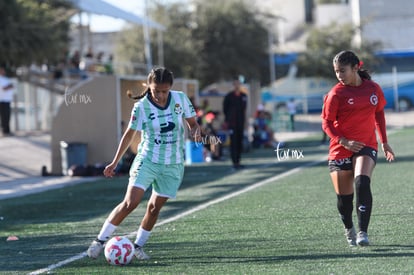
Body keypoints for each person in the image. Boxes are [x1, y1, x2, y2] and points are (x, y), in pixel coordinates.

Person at [87, 67, 201, 260]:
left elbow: (193, 123)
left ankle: (138, 246)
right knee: (131, 203)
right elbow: (129, 134)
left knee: (154, 208)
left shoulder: (181, 99)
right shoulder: (141, 107)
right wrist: (115, 162)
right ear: (149, 86)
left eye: (164, 91)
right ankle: (99, 241)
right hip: (148, 160)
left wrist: (196, 131)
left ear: (170, 88)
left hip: (173, 163)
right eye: (157, 91)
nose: (161, 95)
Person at [321, 50, 395, 247]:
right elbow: (326, 123)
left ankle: (363, 232)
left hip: (366, 145)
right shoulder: (336, 94)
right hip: (340, 148)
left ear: (356, 68)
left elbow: (379, 114)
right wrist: (343, 141)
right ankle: (349, 228)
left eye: (343, 71)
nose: (339, 75)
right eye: (336, 72)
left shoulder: (373, 89)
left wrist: (384, 141)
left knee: (362, 182)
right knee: (344, 201)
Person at [223, 77, 247, 169]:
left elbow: (244, 110)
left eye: (238, 84)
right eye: (235, 84)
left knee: (240, 142)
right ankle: (234, 162)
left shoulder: (243, 96)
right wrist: (228, 121)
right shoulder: (229, 96)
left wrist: (245, 123)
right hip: (232, 124)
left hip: (240, 123)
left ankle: (239, 161)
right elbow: (225, 109)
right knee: (233, 143)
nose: (237, 86)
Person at [0, 66, 14, 136]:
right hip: (2, 100)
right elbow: (4, 88)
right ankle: (4, 131)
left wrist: (10, 86)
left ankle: (7, 131)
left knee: (8, 116)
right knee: (4, 116)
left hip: (7, 100)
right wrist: (10, 86)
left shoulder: (5, 79)